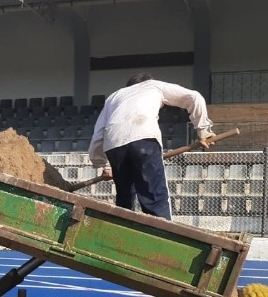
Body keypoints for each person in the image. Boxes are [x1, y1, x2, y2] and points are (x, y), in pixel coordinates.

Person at [88, 73, 215, 220]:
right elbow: (194, 97)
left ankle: (121, 234)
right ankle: (164, 236)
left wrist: (104, 165)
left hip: (114, 144)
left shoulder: (114, 96)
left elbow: (98, 134)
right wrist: (204, 131)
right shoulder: (153, 85)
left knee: (124, 198)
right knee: (154, 197)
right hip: (144, 137)